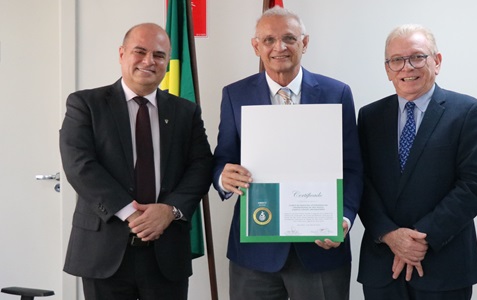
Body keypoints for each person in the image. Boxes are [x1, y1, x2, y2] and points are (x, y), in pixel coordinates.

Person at [212, 7, 363, 300]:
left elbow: (353, 166)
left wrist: (343, 218)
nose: (279, 47)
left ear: (304, 43)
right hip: (254, 253)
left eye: (289, 39)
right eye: (268, 40)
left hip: (321, 249)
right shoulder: (235, 95)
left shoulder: (337, 93)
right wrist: (223, 177)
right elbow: (223, 157)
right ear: (256, 46)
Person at [59, 23, 213, 300]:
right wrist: (131, 213)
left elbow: (201, 167)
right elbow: (80, 165)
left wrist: (170, 210)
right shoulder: (86, 104)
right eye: (139, 52)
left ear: (167, 61)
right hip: (103, 251)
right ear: (122, 54)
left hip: (166, 250)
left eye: (158, 55)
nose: (148, 61)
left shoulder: (186, 111)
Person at [356, 24, 477, 300]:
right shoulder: (369, 116)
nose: (407, 67)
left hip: (444, 266)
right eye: (397, 60)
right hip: (383, 266)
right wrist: (390, 235)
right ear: (387, 69)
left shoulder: (468, 112)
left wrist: (421, 238)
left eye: (417, 57)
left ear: (437, 61)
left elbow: (476, 185)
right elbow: (361, 182)